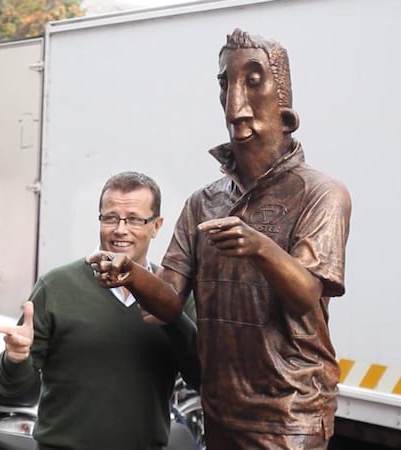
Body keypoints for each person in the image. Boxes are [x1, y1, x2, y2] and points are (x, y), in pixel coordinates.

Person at [87, 29, 352, 449]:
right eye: (225, 84)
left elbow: (307, 296)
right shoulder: (203, 202)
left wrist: (261, 248)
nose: (236, 105)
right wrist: (132, 275)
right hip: (221, 407)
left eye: (252, 81)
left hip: (289, 413)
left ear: (285, 107)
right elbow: (171, 302)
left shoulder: (321, 194)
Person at [0, 171, 200, 450]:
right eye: (110, 217)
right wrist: (16, 358)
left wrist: (170, 315)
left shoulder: (174, 295)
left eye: (135, 219)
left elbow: (202, 379)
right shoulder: (56, 287)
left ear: (156, 225)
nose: (120, 229)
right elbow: (11, 388)